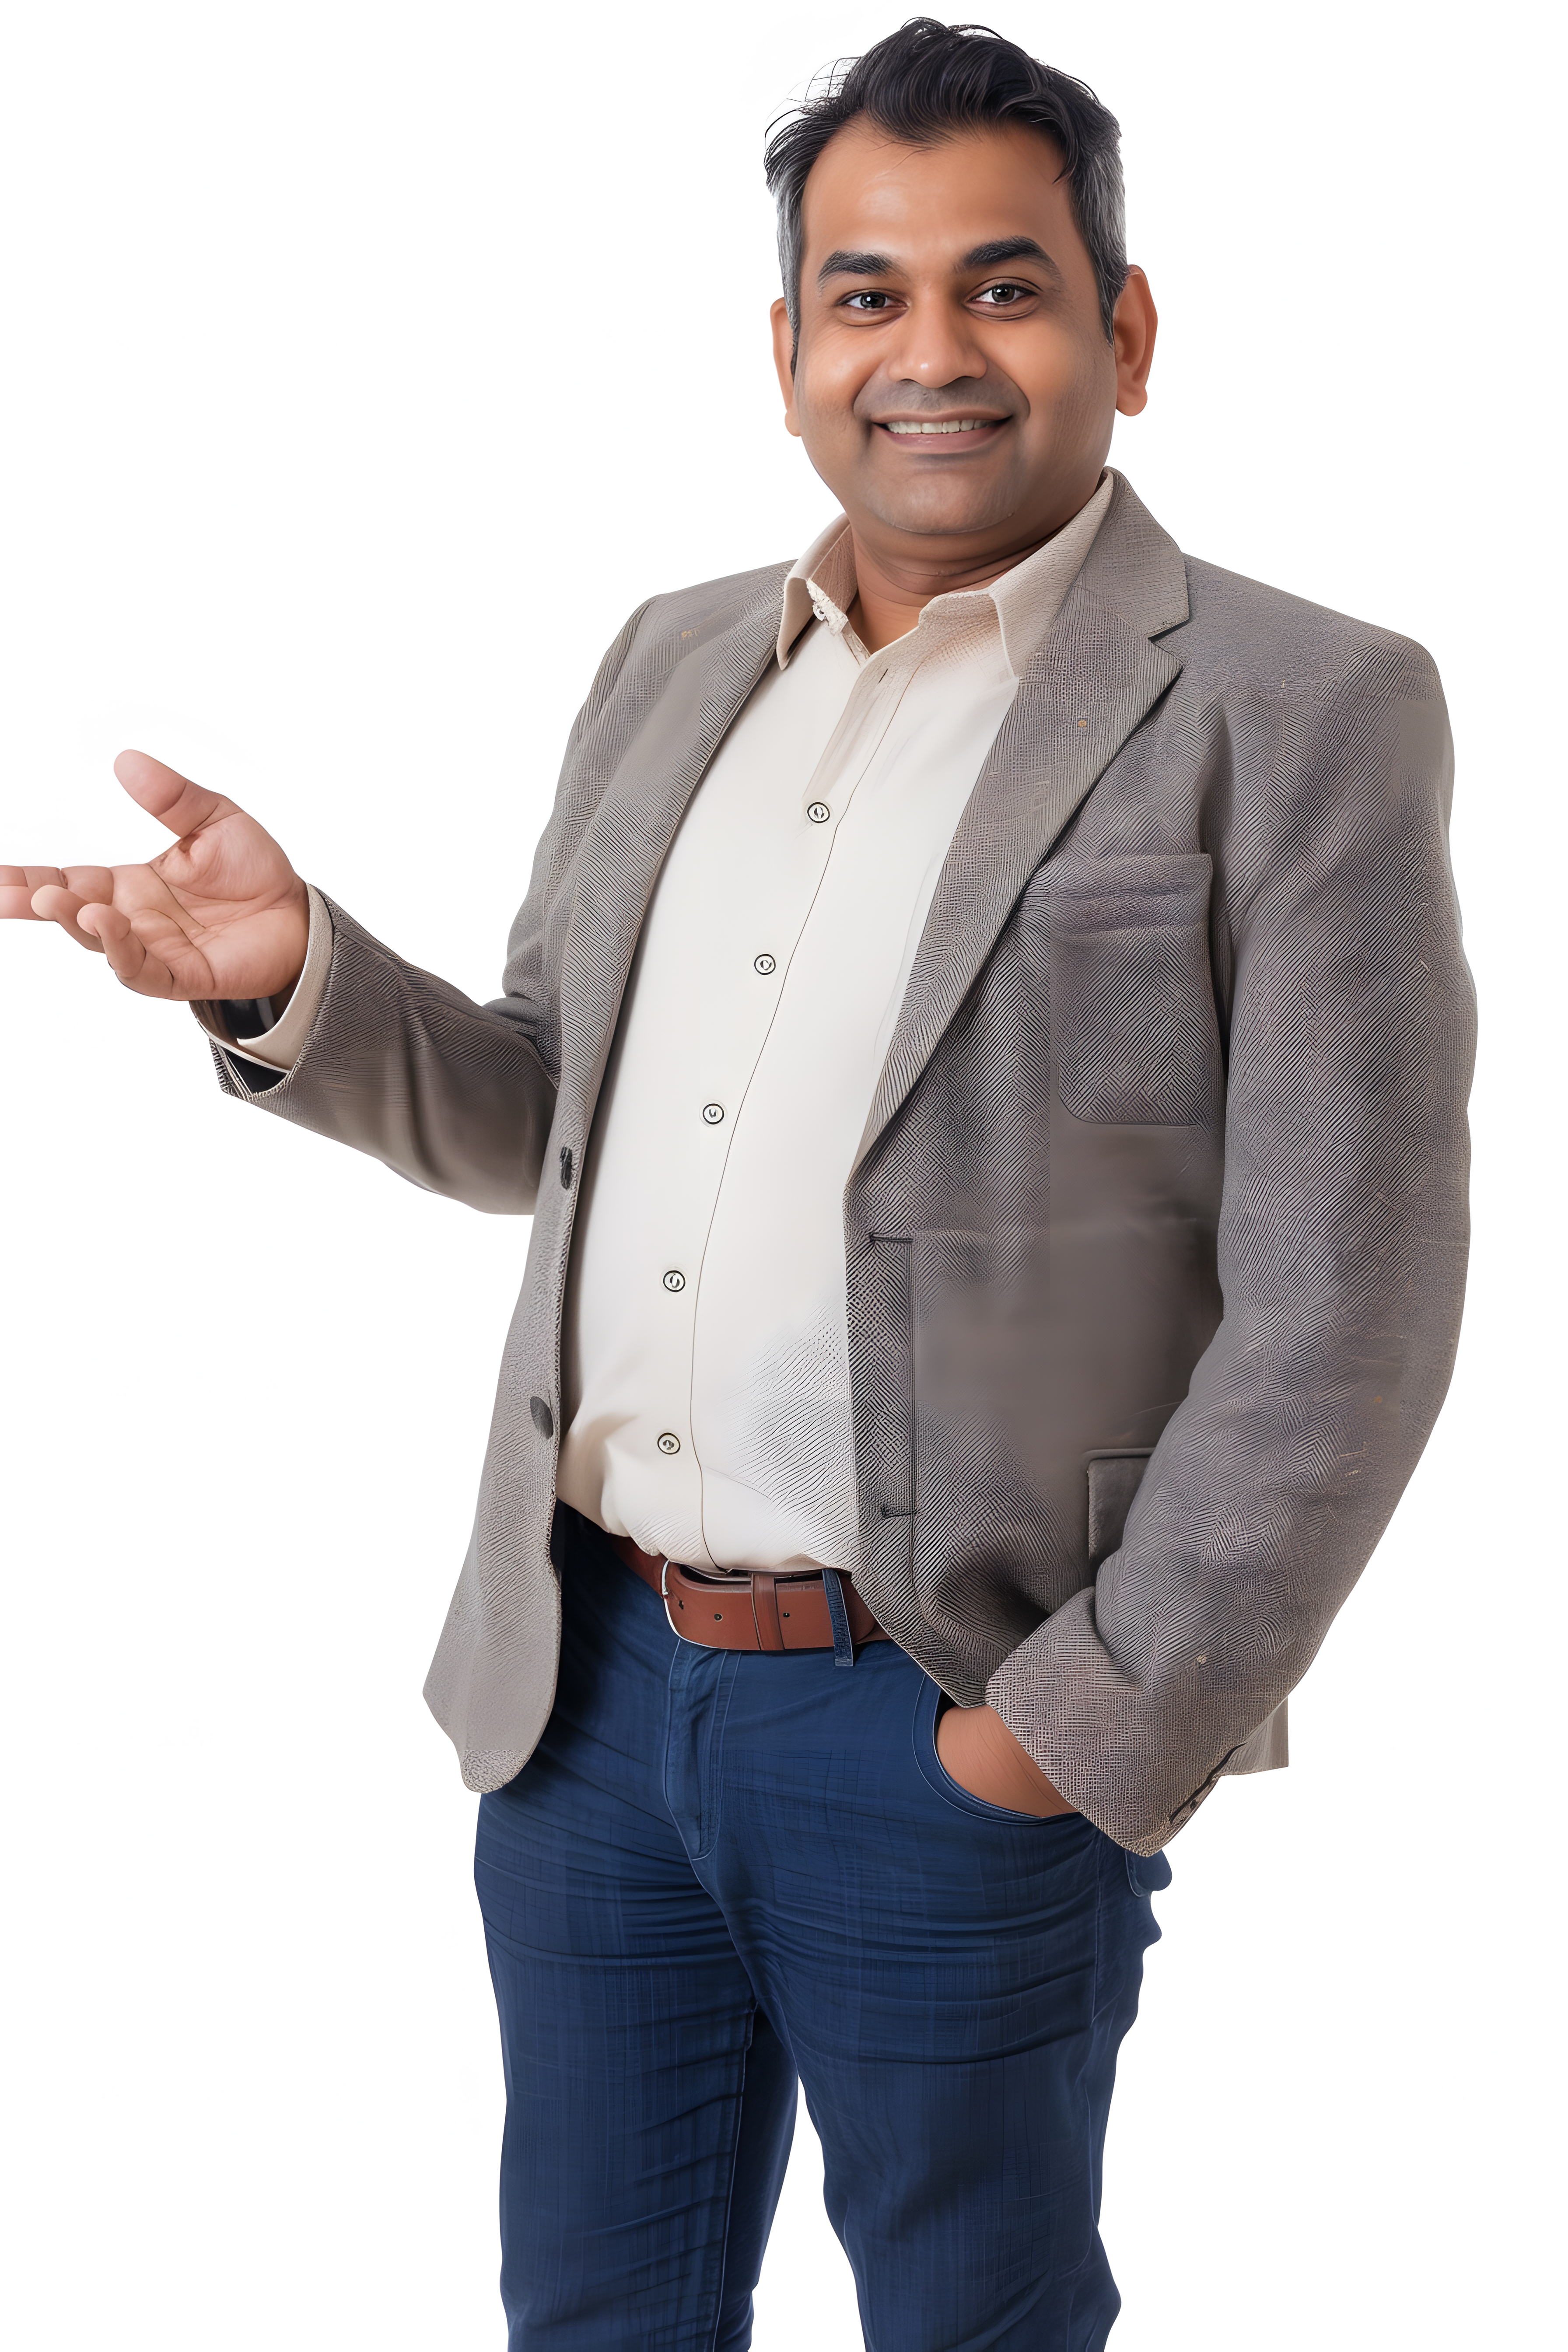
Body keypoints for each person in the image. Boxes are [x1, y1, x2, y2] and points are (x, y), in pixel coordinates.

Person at [0, 18, 1474, 2348]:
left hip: (945, 1715)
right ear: (789, 348)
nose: (932, 354)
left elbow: (1349, 1305)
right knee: (596, 2319)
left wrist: (1070, 1731)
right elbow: (535, 1121)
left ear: (1128, 326)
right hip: (577, 1699)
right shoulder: (680, 657)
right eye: (867, 297)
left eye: (1005, 286)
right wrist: (295, 977)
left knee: (972, 2322)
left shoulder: (1300, 708)